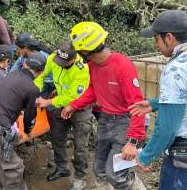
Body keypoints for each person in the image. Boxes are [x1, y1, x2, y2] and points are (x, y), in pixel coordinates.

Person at [61, 22, 146, 190]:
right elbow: (93, 90)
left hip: (125, 123)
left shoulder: (122, 65)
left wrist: (132, 141)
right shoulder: (93, 66)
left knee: (116, 175)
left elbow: (138, 106)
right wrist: (73, 105)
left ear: (86, 50)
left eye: (79, 51)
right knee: (99, 170)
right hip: (106, 120)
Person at [129, 10, 187, 190]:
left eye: (156, 39)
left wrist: (146, 155)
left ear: (169, 38)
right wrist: (155, 103)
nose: (156, 45)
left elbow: (167, 128)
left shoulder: (175, 69)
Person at [0, 52, 46, 190]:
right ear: (41, 72)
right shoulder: (32, 89)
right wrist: (28, 132)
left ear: (24, 63)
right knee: (15, 172)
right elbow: (30, 116)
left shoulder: (9, 75)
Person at [34, 42, 92, 190]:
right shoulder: (54, 58)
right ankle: (62, 168)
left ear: (73, 59)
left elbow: (73, 95)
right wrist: (34, 90)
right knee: (57, 137)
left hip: (80, 106)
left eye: (64, 62)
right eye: (59, 60)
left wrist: (47, 102)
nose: (59, 64)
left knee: (80, 144)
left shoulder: (82, 69)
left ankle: (80, 176)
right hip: (59, 102)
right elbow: (41, 76)